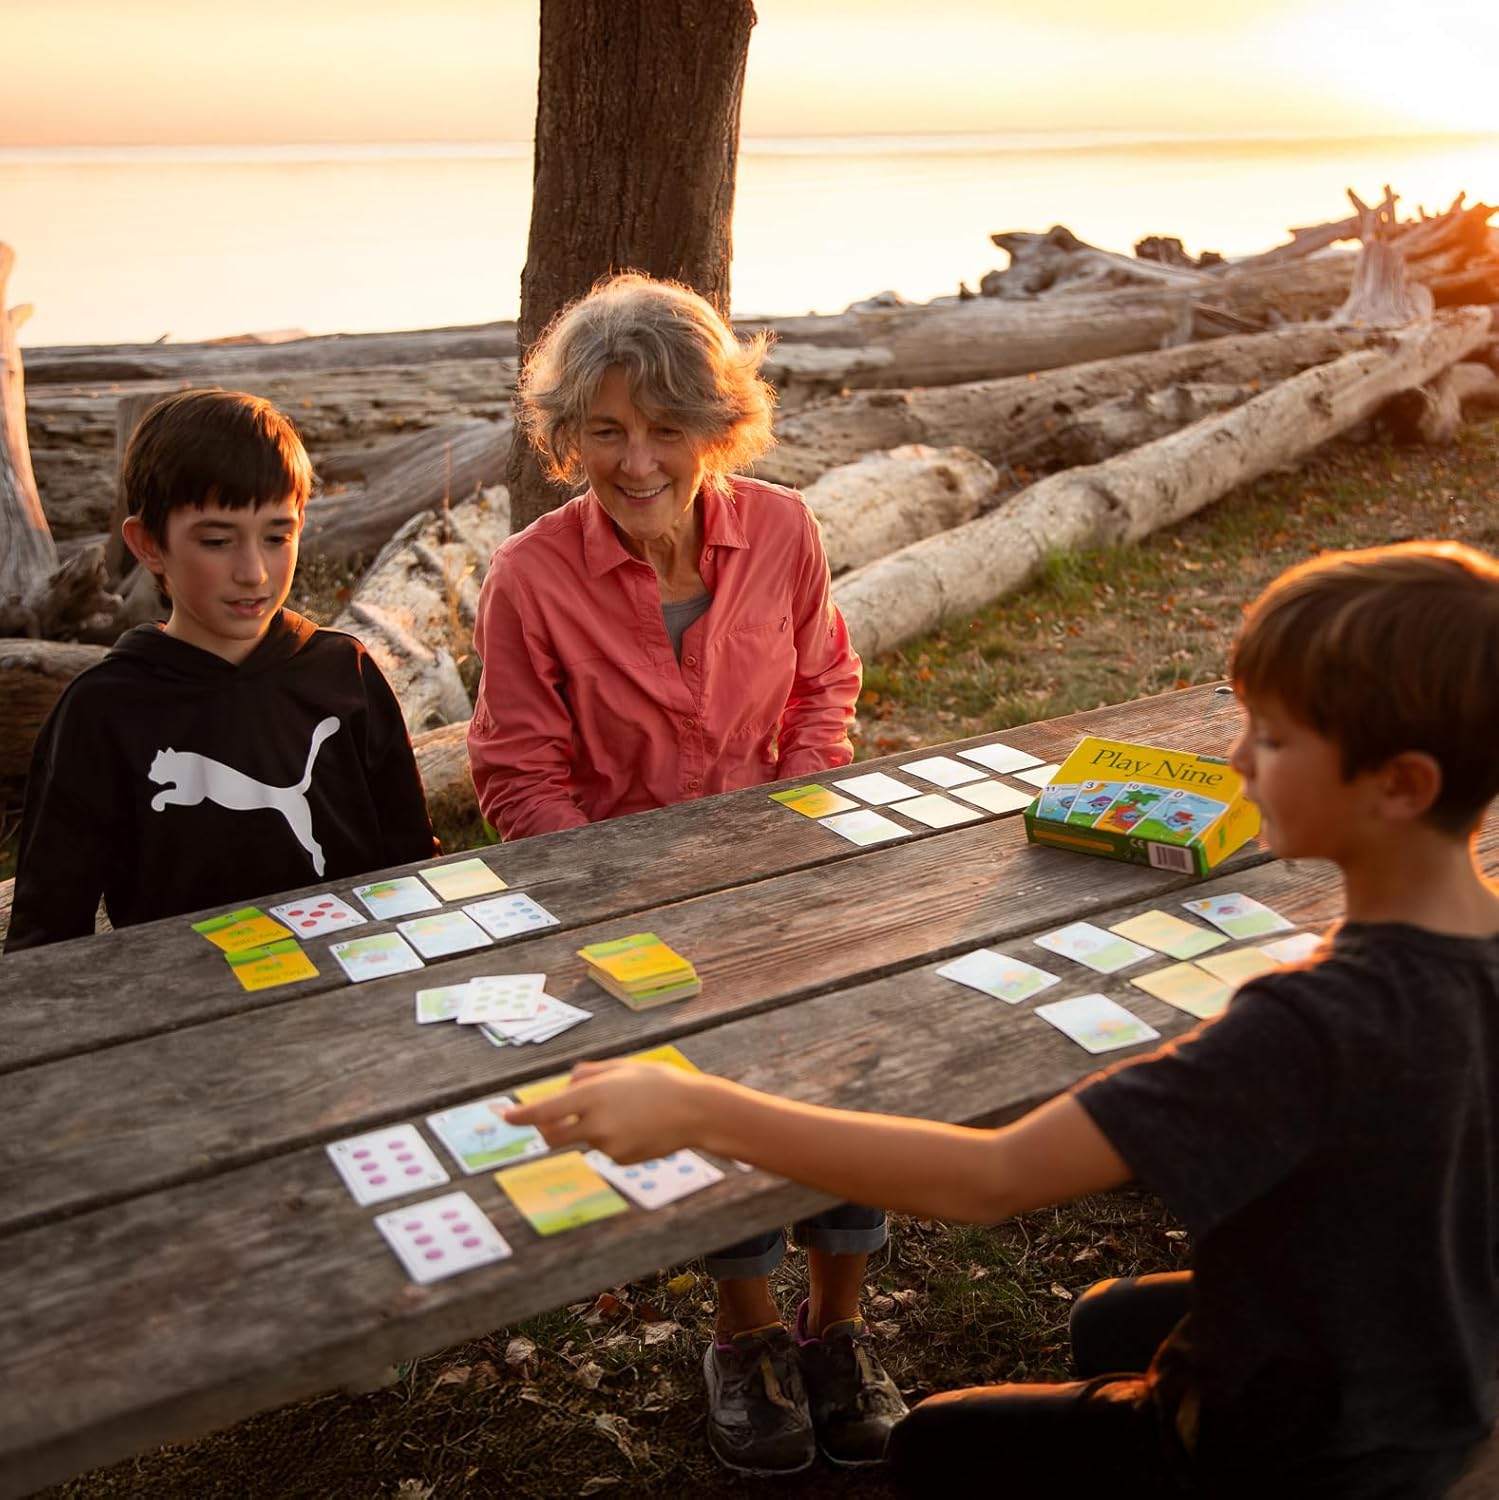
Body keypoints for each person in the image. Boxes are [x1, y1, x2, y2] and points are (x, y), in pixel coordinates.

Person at [509, 540, 1499, 1496]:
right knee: (1108, 1318)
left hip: (1285, 1448)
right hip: (1442, 1366)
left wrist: (701, 1111)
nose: (1235, 758)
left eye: (1274, 738)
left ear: (1398, 785)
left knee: (936, 1444)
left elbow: (992, 1178)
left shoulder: (1303, 1026)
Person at [467, 273, 899, 1474]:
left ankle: (839, 1330)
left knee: (831, 1086)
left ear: (717, 423)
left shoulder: (783, 531)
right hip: (632, 911)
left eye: (666, 426)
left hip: (789, 881)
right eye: (604, 428)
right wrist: (621, 893)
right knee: (708, 1107)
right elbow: (514, 766)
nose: (637, 458)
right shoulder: (529, 579)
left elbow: (823, 683)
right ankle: (747, 1340)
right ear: (565, 436)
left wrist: (794, 819)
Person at [7, 389, 439, 953]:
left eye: (278, 537)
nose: (253, 572)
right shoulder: (101, 711)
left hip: (359, 990)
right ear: (147, 546)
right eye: (216, 540)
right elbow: (46, 934)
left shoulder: (345, 673)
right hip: (185, 1017)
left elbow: (413, 865)